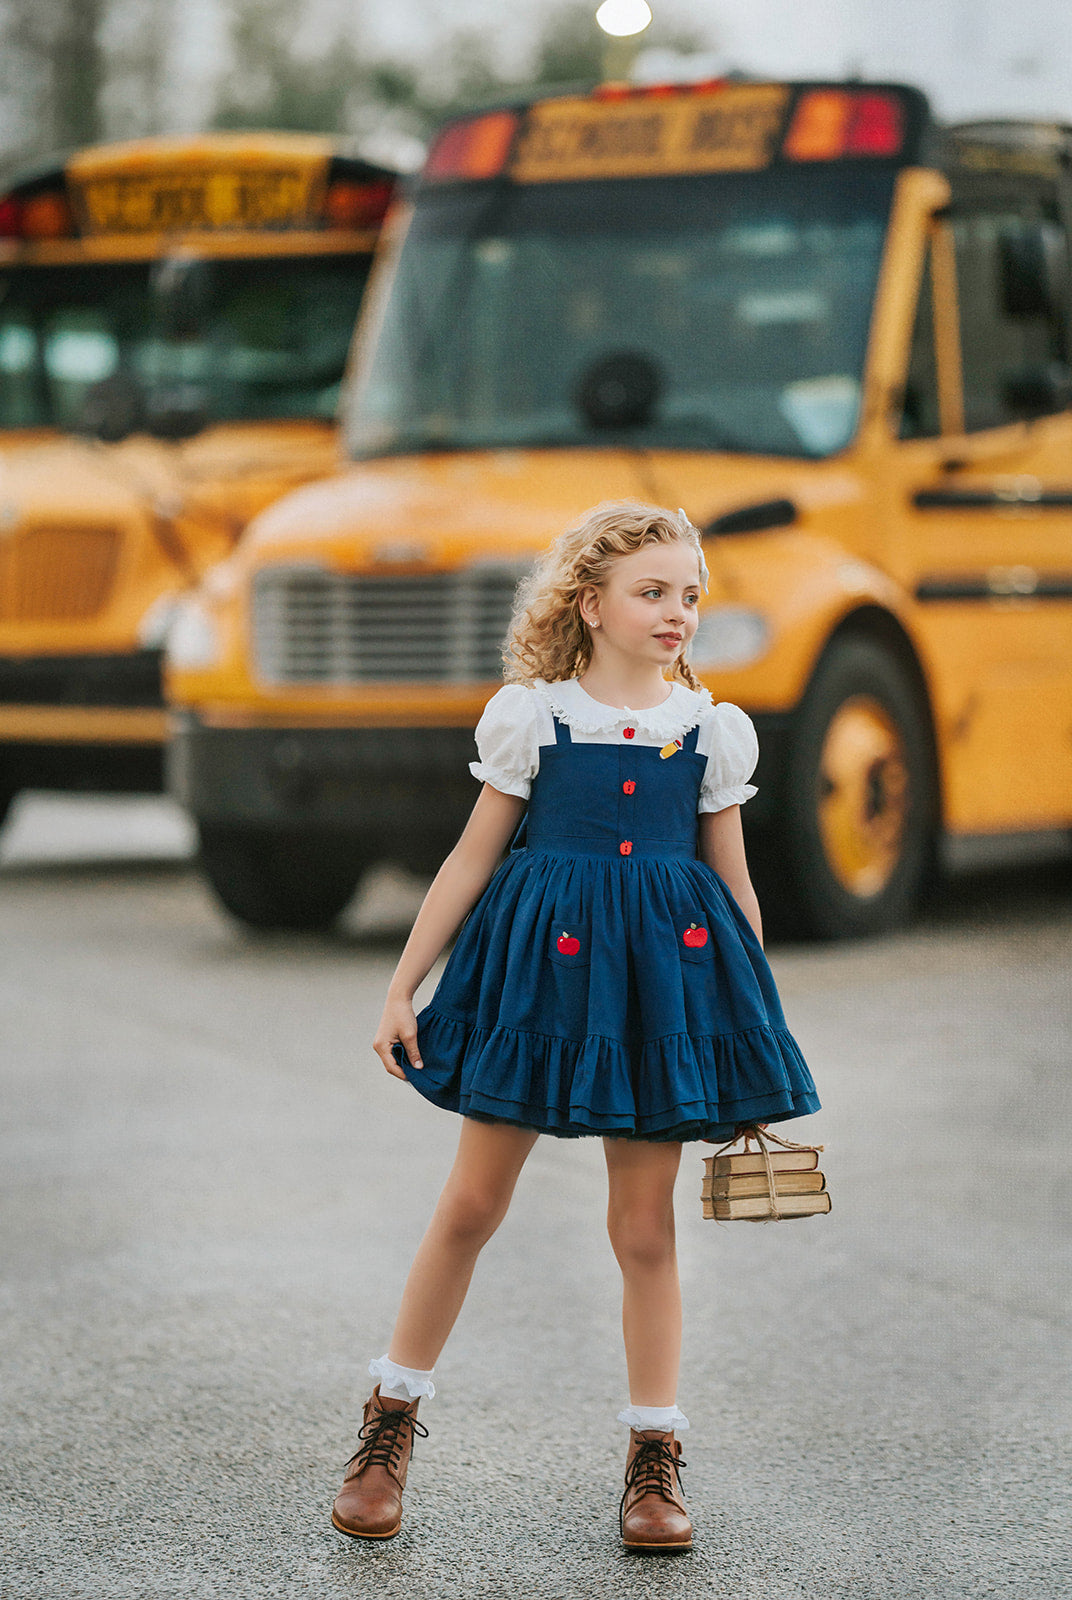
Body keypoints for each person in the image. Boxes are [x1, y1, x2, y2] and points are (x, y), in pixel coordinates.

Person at [331, 501, 820, 1552]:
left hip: (658, 999)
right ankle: (388, 1422)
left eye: (690, 593)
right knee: (469, 1203)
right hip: (535, 991)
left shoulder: (710, 730)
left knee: (645, 1230)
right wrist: (402, 984)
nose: (677, 611)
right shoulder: (531, 716)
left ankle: (655, 1458)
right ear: (589, 603)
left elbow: (732, 891)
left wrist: (745, 1036)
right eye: (652, 591)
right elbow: (469, 859)